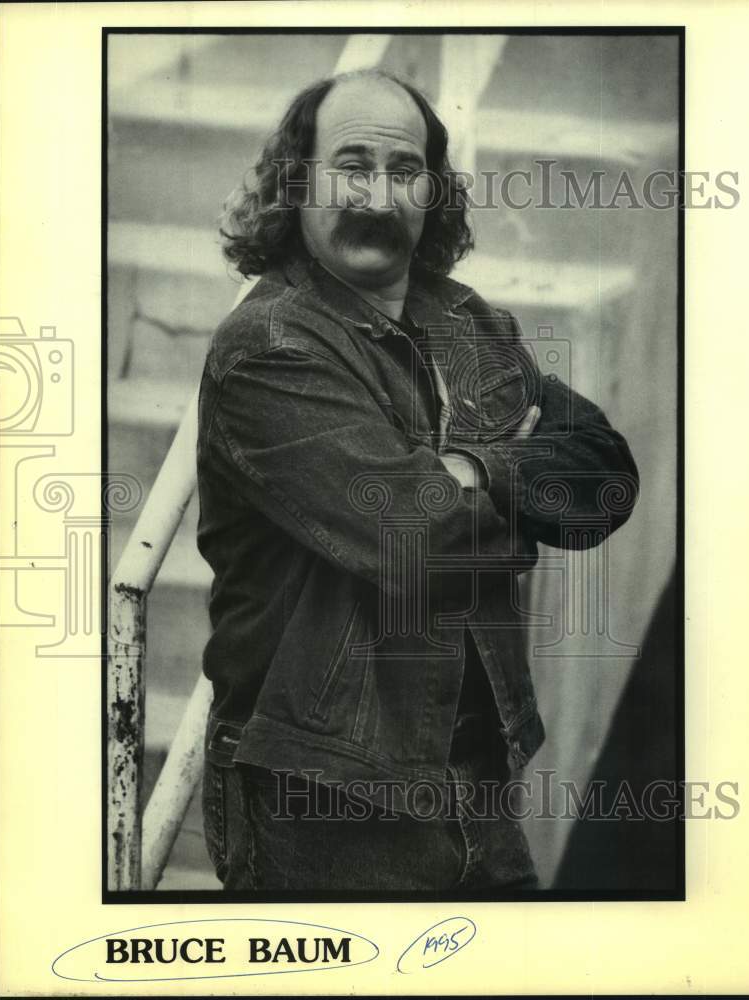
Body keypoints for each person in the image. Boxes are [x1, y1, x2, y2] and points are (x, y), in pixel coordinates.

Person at [196, 69, 638, 894]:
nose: (376, 193)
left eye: (403, 171)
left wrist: (471, 469)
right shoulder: (267, 346)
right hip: (326, 802)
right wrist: (509, 480)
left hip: (476, 778)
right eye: (351, 165)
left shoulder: (467, 321)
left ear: (433, 193)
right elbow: (417, 532)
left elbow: (605, 476)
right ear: (297, 183)